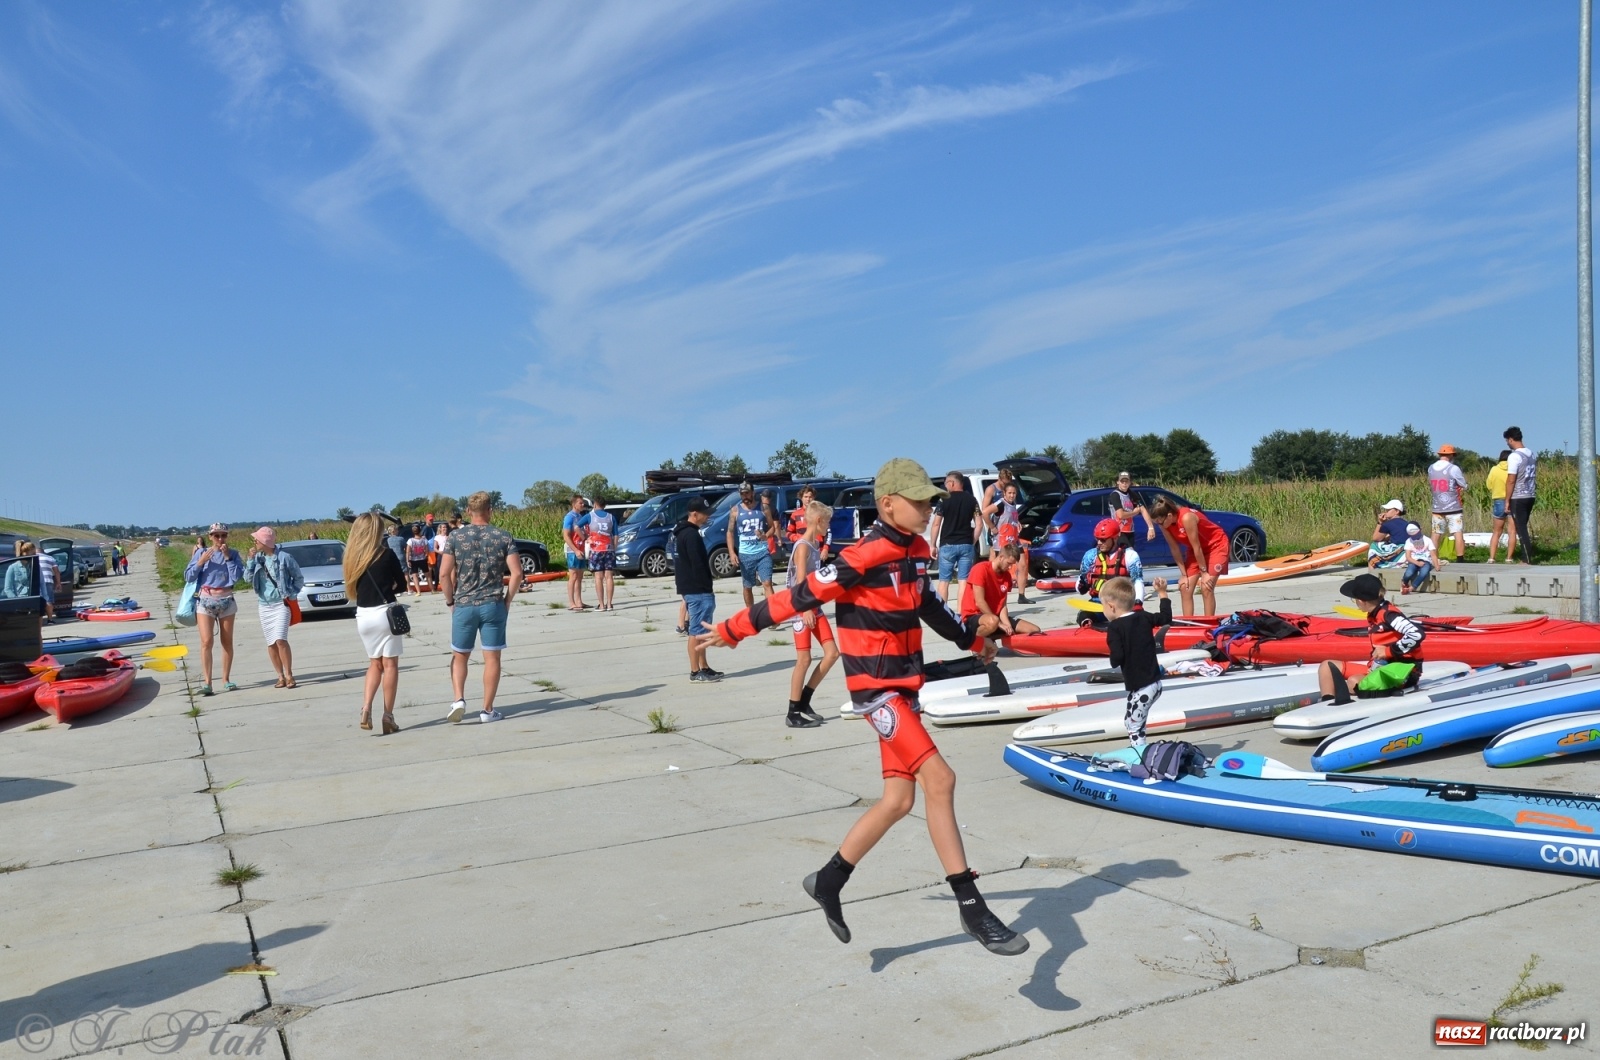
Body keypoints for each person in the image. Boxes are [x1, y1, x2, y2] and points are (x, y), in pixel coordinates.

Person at [698, 458, 1023, 956]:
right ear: (888, 504)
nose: (928, 508)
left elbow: (927, 605)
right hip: (876, 691)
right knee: (941, 779)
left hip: (906, 686)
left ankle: (828, 881)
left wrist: (970, 643)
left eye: (931, 500)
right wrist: (733, 629)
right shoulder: (862, 555)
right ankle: (972, 907)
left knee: (898, 801)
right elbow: (799, 597)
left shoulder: (916, 550)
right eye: (919, 501)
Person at [440, 491, 521, 724]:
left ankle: (458, 699)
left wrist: (451, 601)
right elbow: (516, 573)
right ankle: (487, 710)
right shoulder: (503, 537)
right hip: (492, 604)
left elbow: (444, 574)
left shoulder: (455, 537)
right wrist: (507, 600)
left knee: (460, 656)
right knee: (492, 658)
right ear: (490, 510)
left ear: (468, 512)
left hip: (464, 604)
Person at [1316, 573, 1425, 705]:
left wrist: (1388, 652)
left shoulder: (1389, 615)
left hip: (1402, 674)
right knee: (1327, 666)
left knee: (1353, 682)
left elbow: (1417, 634)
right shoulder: (1375, 613)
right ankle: (1326, 704)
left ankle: (1348, 705)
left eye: (1354, 599)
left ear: (1361, 601)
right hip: (1379, 669)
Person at [344, 513, 407, 734]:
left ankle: (365, 707)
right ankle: (388, 716)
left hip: (363, 615)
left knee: (374, 664)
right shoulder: (386, 554)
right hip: (384, 613)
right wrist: (390, 586)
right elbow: (401, 584)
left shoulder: (352, 556)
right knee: (390, 665)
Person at [1101, 574, 1172, 752]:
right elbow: (1165, 618)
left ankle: (1141, 758)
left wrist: (1112, 656)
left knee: (1134, 726)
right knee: (1130, 721)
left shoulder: (1115, 627)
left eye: (1103, 606)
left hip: (1143, 688)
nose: (1103, 611)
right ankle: (1138, 749)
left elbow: (1116, 658)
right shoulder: (1143, 617)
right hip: (1154, 684)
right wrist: (1162, 593)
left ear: (1111, 606)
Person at [784, 500, 838, 727]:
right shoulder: (803, 546)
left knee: (832, 653)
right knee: (803, 659)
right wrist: (805, 609)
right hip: (801, 608)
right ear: (818, 521)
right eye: (826, 522)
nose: (828, 527)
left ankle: (805, 700)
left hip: (814, 605)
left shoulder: (814, 545)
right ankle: (792, 712)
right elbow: (799, 581)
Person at [184, 523, 245, 695]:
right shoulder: (201, 553)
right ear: (210, 537)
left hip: (226, 599)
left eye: (223, 536)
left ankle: (226, 679)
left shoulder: (233, 554)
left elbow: (236, 577)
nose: (220, 539)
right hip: (205, 600)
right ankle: (207, 682)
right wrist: (200, 563)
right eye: (216, 536)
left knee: (227, 642)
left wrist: (227, 558)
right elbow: (188, 576)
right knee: (206, 642)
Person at [1149, 496, 1228, 617]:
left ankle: (1209, 623)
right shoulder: (1164, 524)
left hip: (1215, 546)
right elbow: (1174, 549)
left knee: (1206, 587)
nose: (1159, 525)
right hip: (1195, 549)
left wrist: (1204, 572)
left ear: (1169, 516)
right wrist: (1184, 575)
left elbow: (1198, 547)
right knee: (1185, 588)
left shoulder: (1186, 518)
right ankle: (1188, 624)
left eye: (1160, 522)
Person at [245, 526, 304, 688]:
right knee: (271, 642)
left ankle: (289, 675)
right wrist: (250, 561)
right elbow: (246, 578)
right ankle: (280, 676)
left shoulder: (285, 558)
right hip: (264, 606)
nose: (254, 541)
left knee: (280, 640)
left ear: (265, 541)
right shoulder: (257, 559)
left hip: (281, 604)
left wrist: (290, 594)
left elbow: (298, 578)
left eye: (257, 539)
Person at [674, 497, 721, 682]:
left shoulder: (684, 532)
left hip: (692, 588)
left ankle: (704, 666)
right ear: (694, 514)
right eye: (705, 514)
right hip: (697, 589)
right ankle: (695, 671)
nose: (708, 517)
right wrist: (705, 586)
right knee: (696, 632)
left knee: (702, 632)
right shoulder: (691, 535)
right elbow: (697, 564)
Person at [1075, 517, 1145, 626]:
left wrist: (1138, 603)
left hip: (1123, 604)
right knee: (1083, 616)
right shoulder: (1090, 556)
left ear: (1115, 538)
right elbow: (1080, 588)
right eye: (1097, 539)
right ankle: (1090, 628)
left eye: (1103, 540)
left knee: (1134, 621)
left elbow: (1138, 581)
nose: (1099, 543)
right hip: (1099, 603)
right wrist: (1082, 584)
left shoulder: (1130, 555)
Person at [960, 543, 1040, 637]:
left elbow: (1002, 606)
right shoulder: (981, 569)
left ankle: (995, 638)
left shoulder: (1006, 576)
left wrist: (1007, 625)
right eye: (1009, 563)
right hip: (974, 616)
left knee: (1034, 630)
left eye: (1012, 564)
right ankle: (975, 641)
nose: (1010, 567)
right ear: (1001, 557)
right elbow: (979, 602)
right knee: (993, 621)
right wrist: (999, 624)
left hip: (995, 617)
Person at [928, 471, 979, 602]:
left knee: (944, 581)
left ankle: (944, 615)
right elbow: (979, 524)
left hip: (948, 545)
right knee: (963, 581)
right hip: (966, 544)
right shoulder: (972, 500)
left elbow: (936, 524)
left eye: (946, 484)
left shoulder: (943, 499)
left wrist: (932, 545)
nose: (945, 487)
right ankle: (962, 616)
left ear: (952, 483)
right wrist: (972, 542)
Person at [727, 482, 774, 609]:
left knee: (767, 583)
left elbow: (772, 527)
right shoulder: (735, 511)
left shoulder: (764, 508)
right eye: (742, 494)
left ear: (753, 493)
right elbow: (730, 532)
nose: (745, 496)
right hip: (745, 554)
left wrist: (766, 536)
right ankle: (750, 615)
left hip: (762, 551)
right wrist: (732, 553)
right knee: (747, 586)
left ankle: (772, 615)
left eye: (747, 493)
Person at [985, 480, 1033, 603]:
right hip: (1002, 541)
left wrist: (1017, 523)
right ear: (1004, 494)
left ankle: (1022, 596)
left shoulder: (1013, 504)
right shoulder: (1001, 503)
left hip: (1014, 539)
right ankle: (993, 594)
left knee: (1022, 565)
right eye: (1010, 493)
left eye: (1014, 493)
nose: (1012, 495)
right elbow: (985, 512)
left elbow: (1011, 517)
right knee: (999, 568)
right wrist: (992, 527)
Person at [1426, 444, 1468, 562]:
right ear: (1451, 455)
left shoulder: (1431, 468)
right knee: (1457, 532)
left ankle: (1433, 557)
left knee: (1436, 532)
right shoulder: (1453, 468)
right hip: (1453, 507)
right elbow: (1463, 484)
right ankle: (1460, 559)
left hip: (1437, 506)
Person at [1504, 426, 1538, 563]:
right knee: (1522, 524)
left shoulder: (1514, 456)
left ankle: (1526, 558)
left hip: (1518, 496)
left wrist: (1507, 500)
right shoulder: (1531, 454)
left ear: (1511, 439)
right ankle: (1527, 554)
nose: (1507, 443)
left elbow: (1511, 480)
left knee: (1521, 527)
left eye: (1507, 440)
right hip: (1530, 494)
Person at [1109, 472, 1156, 549]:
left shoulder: (1131, 494)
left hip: (1130, 530)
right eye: (1122, 481)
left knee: (1129, 557)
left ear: (1130, 482)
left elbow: (1142, 509)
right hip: (1118, 531)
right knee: (1129, 553)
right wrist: (1135, 512)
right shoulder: (1115, 495)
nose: (1124, 484)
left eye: (1126, 481)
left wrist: (1151, 528)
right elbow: (1121, 515)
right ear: (1118, 482)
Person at [586, 496, 618, 611]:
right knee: (609, 577)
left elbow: (576, 527)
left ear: (595, 504)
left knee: (598, 577)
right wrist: (614, 548)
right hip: (609, 549)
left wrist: (586, 538)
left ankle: (601, 604)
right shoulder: (611, 517)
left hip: (596, 550)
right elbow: (615, 534)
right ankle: (609, 604)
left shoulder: (590, 516)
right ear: (604, 505)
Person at [563, 495, 590, 611]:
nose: (582, 505)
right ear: (574, 504)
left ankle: (579, 601)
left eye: (583, 503)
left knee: (579, 576)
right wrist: (575, 550)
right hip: (573, 551)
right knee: (573, 576)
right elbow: (566, 535)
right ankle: (571, 602)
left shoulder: (580, 516)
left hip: (582, 549)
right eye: (580, 503)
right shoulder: (569, 517)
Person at [1366, 500, 1411, 569]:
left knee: (1373, 546)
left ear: (1397, 511)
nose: (1385, 512)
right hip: (1407, 550)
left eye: (1388, 510)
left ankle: (1372, 571)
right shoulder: (1406, 523)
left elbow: (1376, 538)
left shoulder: (1387, 524)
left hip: (1398, 550)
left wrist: (1380, 522)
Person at [1486, 450, 1512, 564]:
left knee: (1496, 531)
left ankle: (1492, 558)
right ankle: (1509, 558)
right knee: (1512, 531)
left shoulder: (1494, 469)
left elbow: (1489, 485)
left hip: (1498, 500)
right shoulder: (1513, 469)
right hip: (1512, 500)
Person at [1400, 523, 1437, 595]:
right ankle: (1404, 582)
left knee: (1424, 572)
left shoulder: (1428, 540)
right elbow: (1408, 557)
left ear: (1420, 530)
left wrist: (1436, 565)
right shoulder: (1409, 541)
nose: (1415, 538)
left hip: (1425, 561)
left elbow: (1433, 555)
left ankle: (1412, 587)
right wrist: (1417, 563)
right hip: (1413, 561)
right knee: (1409, 573)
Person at [34, 542, 60, 622]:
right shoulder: (50, 558)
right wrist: (58, 583)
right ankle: (50, 619)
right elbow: (56, 572)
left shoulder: (32, 557)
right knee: (48, 600)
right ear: (43, 552)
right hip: (48, 581)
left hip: (35, 582)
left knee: (36, 600)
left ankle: (37, 619)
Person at [404, 524, 430, 597]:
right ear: (420, 530)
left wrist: (408, 560)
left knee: (415, 575)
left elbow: (408, 551)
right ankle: (432, 589)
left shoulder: (410, 540)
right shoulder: (424, 539)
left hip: (413, 560)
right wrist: (426, 555)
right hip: (422, 559)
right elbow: (427, 550)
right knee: (427, 575)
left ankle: (418, 591)